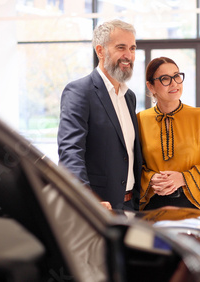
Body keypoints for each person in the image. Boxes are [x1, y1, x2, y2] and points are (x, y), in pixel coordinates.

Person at [57, 19, 142, 210]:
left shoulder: (129, 97)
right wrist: (86, 198)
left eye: (133, 48)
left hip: (130, 206)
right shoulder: (79, 91)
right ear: (100, 51)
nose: (128, 55)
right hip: (97, 208)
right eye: (121, 47)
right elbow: (70, 151)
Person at [137, 57, 200, 213]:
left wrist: (183, 178)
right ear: (151, 86)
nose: (174, 83)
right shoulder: (140, 119)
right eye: (165, 79)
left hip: (194, 204)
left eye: (176, 76)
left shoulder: (199, 116)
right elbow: (134, 166)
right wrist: (151, 179)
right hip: (152, 206)